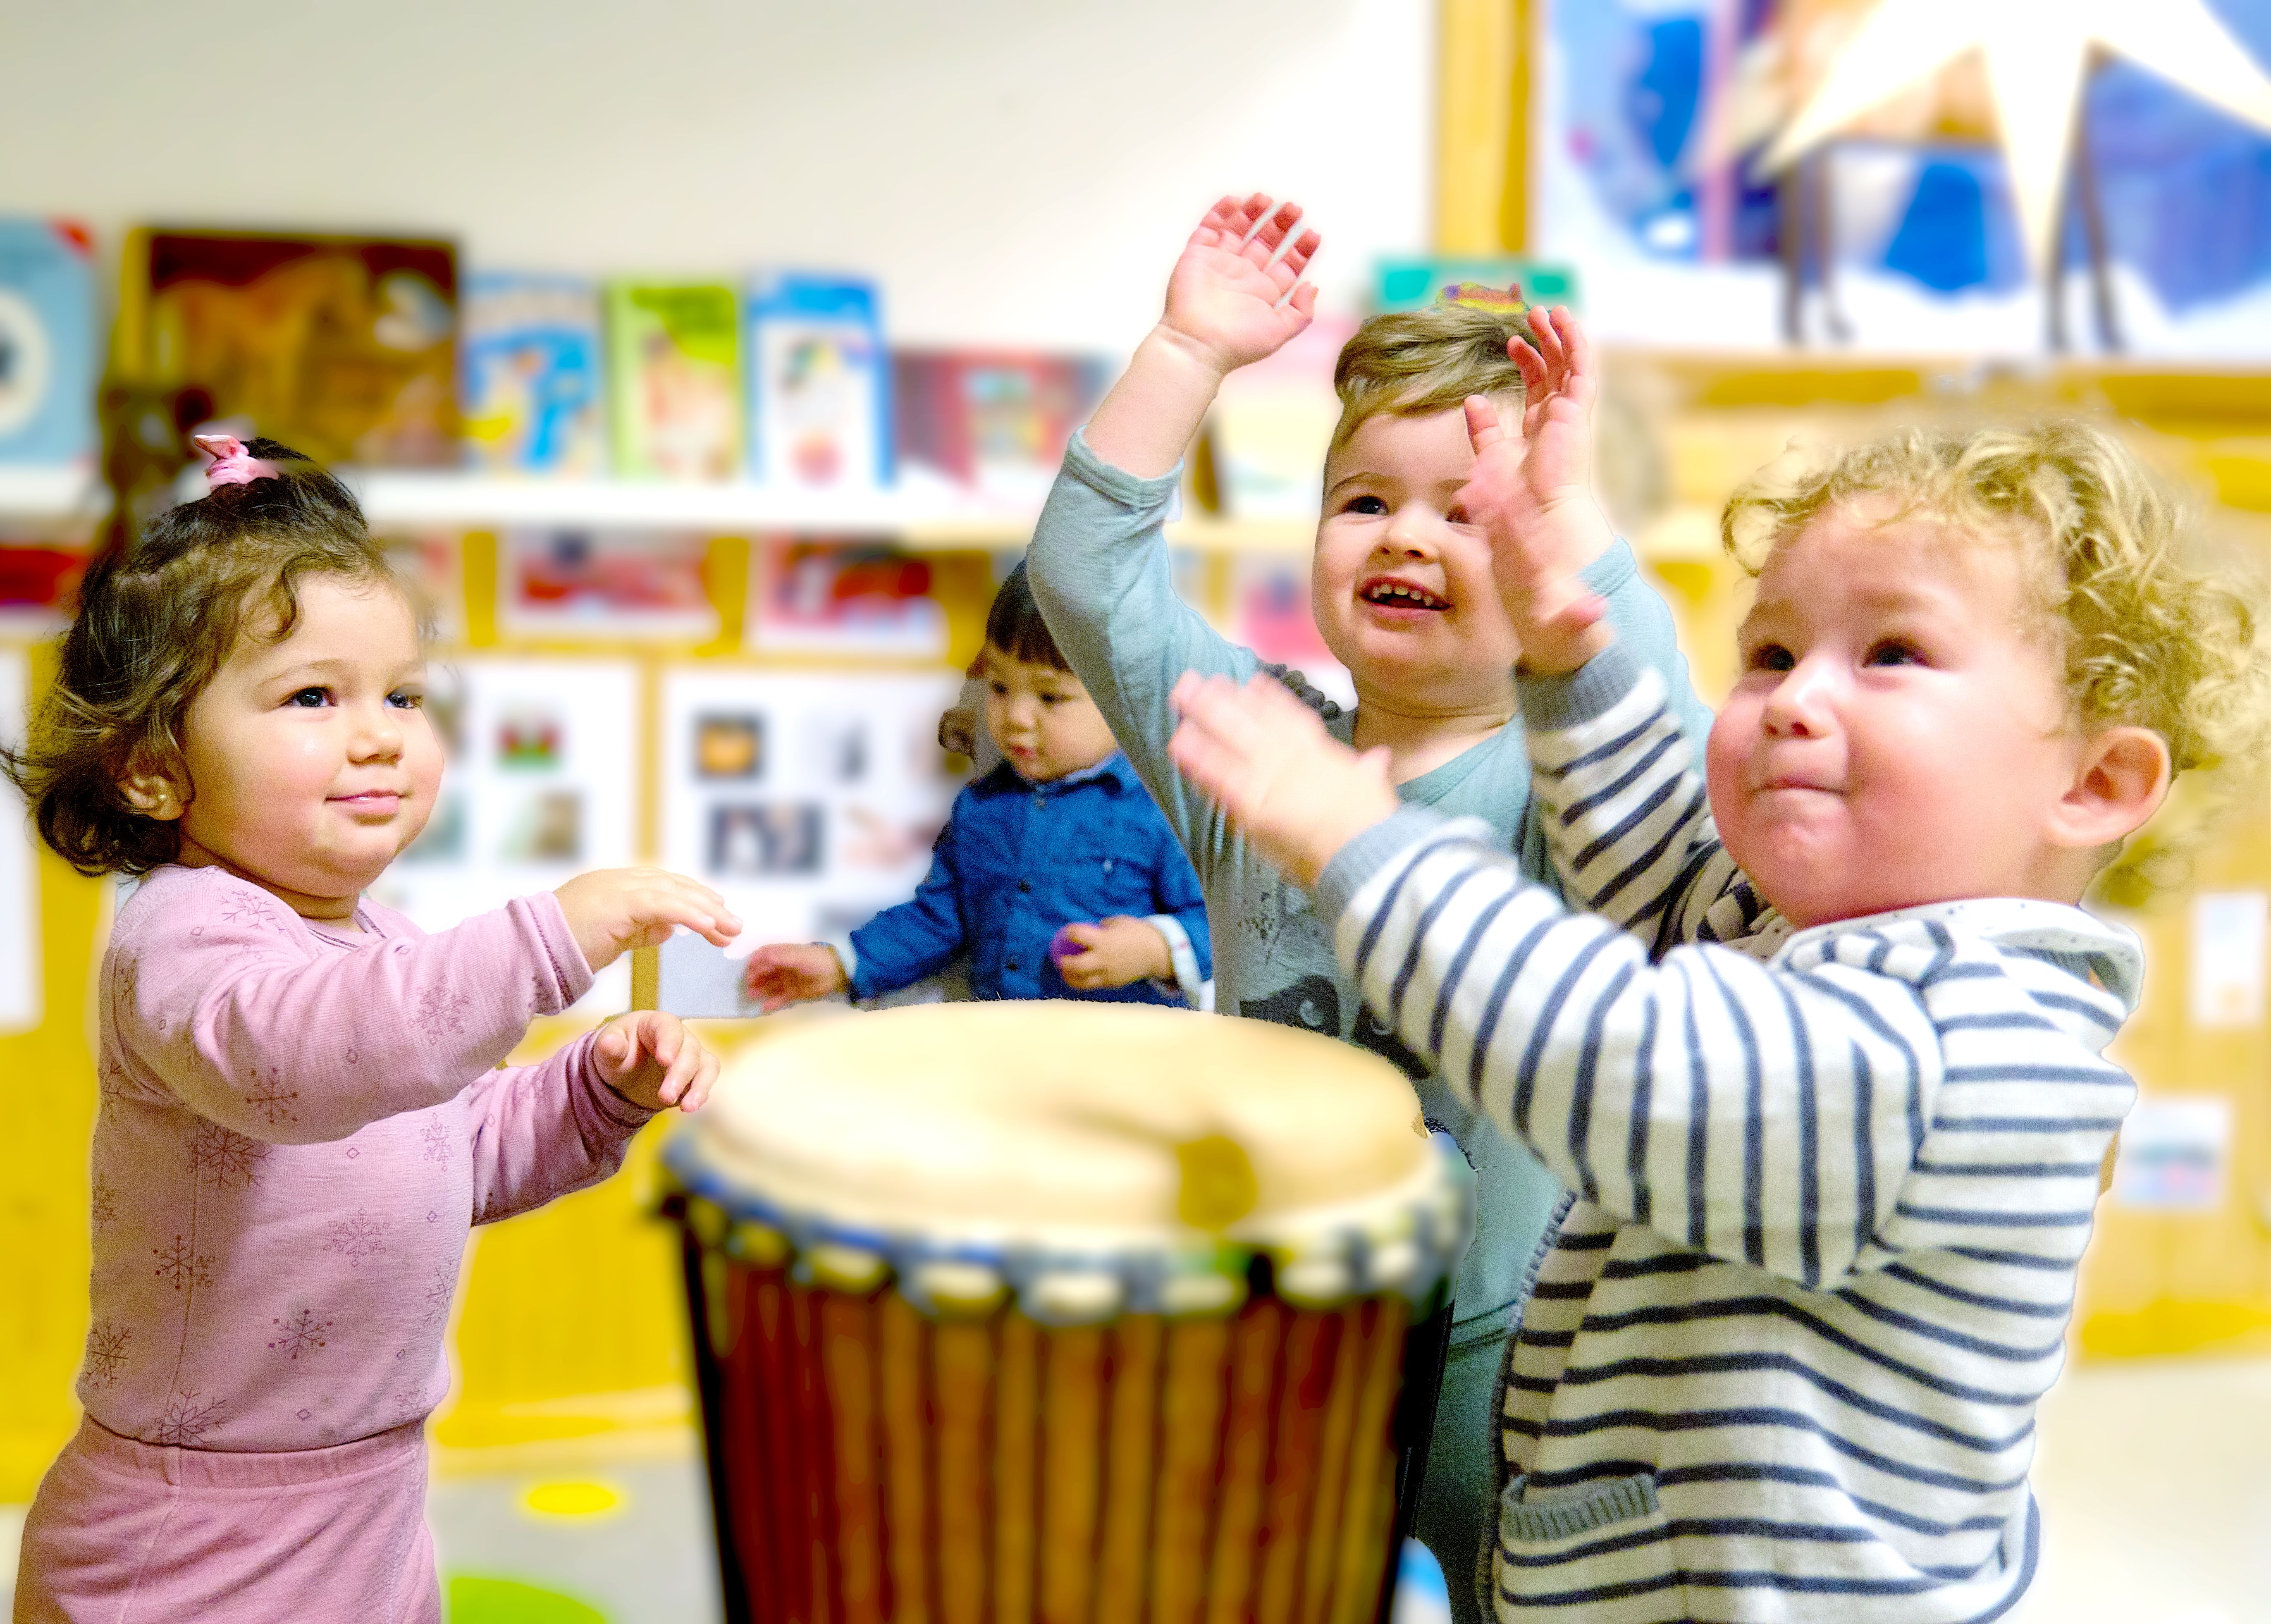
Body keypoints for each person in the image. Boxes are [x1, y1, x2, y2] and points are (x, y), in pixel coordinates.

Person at [1166, 412, 2267, 1621]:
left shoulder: (1962, 1048)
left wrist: (1355, 841)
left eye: (1889, 652)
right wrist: (1566, 649)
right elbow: (1651, 859)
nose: (1793, 700)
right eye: (1770, 652)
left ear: (2091, 782)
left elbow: (1623, 1060)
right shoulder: (1816, 927)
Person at [1023, 192, 1709, 1607]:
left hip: (1501, 1343)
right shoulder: (1252, 747)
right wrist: (1185, 352)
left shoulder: (1563, 780)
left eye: (1474, 517)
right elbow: (1084, 579)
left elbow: (1646, 709)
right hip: (1266, 1314)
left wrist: (1569, 517)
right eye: (1365, 501)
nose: (1408, 536)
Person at [2, 435, 742, 1623]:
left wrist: (592, 1090)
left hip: (374, 1498)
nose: (382, 733)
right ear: (152, 767)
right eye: (312, 696)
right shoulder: (182, 937)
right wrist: (552, 936)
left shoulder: (381, 945)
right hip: (198, 1535)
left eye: (401, 693)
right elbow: (306, 1063)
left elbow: (449, 1149)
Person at [743, 563, 1211, 1011]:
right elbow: (939, 917)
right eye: (1001, 687)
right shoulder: (981, 805)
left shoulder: (1163, 808)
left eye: (1051, 697)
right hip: (999, 1048)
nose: (1016, 718)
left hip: (1125, 1059)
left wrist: (1155, 949)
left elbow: (1224, 926)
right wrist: (841, 963)